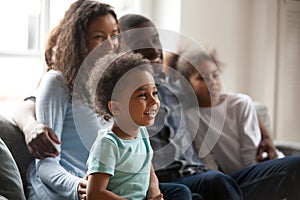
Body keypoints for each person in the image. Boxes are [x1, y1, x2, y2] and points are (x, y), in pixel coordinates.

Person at [11, 1, 194, 200]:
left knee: (185, 193)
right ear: (78, 42)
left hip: (111, 187)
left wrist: (152, 190)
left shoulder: (115, 84)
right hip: (71, 189)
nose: (110, 45)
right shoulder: (57, 82)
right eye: (99, 37)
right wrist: (77, 186)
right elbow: (46, 164)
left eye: (114, 35)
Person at [118, 14, 300, 200]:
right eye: (142, 43)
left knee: (294, 166)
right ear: (123, 51)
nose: (154, 48)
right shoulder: (121, 97)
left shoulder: (177, 86)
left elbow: (234, 103)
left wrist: (267, 136)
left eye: (156, 39)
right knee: (216, 181)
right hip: (171, 183)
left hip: (203, 175)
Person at [176, 48, 279, 174]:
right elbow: (208, 160)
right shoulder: (192, 116)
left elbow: (251, 153)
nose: (212, 82)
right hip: (238, 179)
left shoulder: (241, 103)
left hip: (265, 169)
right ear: (187, 85)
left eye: (215, 75)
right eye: (202, 78)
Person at [86, 52, 163, 199]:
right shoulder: (108, 144)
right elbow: (94, 193)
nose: (154, 101)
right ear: (116, 108)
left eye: (154, 92)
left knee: (184, 192)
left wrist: (154, 193)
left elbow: (148, 168)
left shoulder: (142, 133)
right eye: (142, 95)